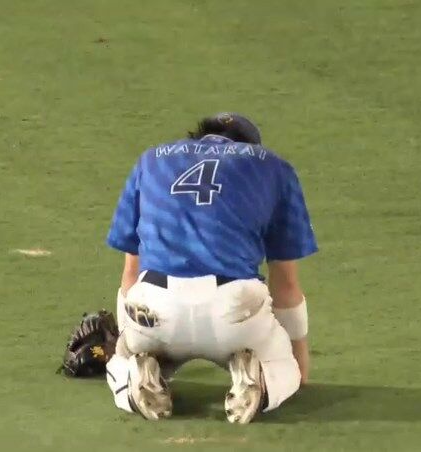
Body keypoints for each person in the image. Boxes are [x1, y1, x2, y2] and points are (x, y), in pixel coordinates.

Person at [104, 113, 317, 424]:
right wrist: (297, 366)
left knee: (119, 362)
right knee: (284, 369)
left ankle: (134, 378)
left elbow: (130, 275)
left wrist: (128, 338)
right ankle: (261, 382)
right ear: (249, 146)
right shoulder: (273, 167)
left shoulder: (150, 161)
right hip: (235, 310)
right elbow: (285, 285)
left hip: (154, 307)